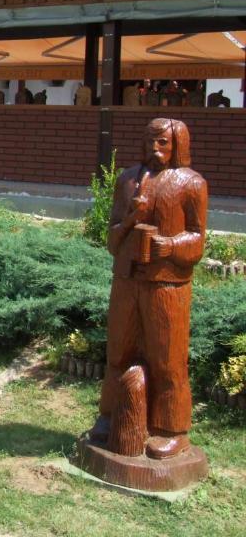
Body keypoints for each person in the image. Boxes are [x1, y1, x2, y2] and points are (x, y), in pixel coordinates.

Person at [88, 118, 207, 459]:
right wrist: (129, 217)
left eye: (163, 143)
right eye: (150, 142)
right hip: (126, 281)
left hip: (167, 287)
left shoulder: (191, 183)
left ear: (177, 144)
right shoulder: (127, 180)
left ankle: (172, 430)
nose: (155, 149)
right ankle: (110, 416)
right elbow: (112, 240)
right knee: (118, 354)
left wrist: (169, 246)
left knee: (167, 361)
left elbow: (198, 242)